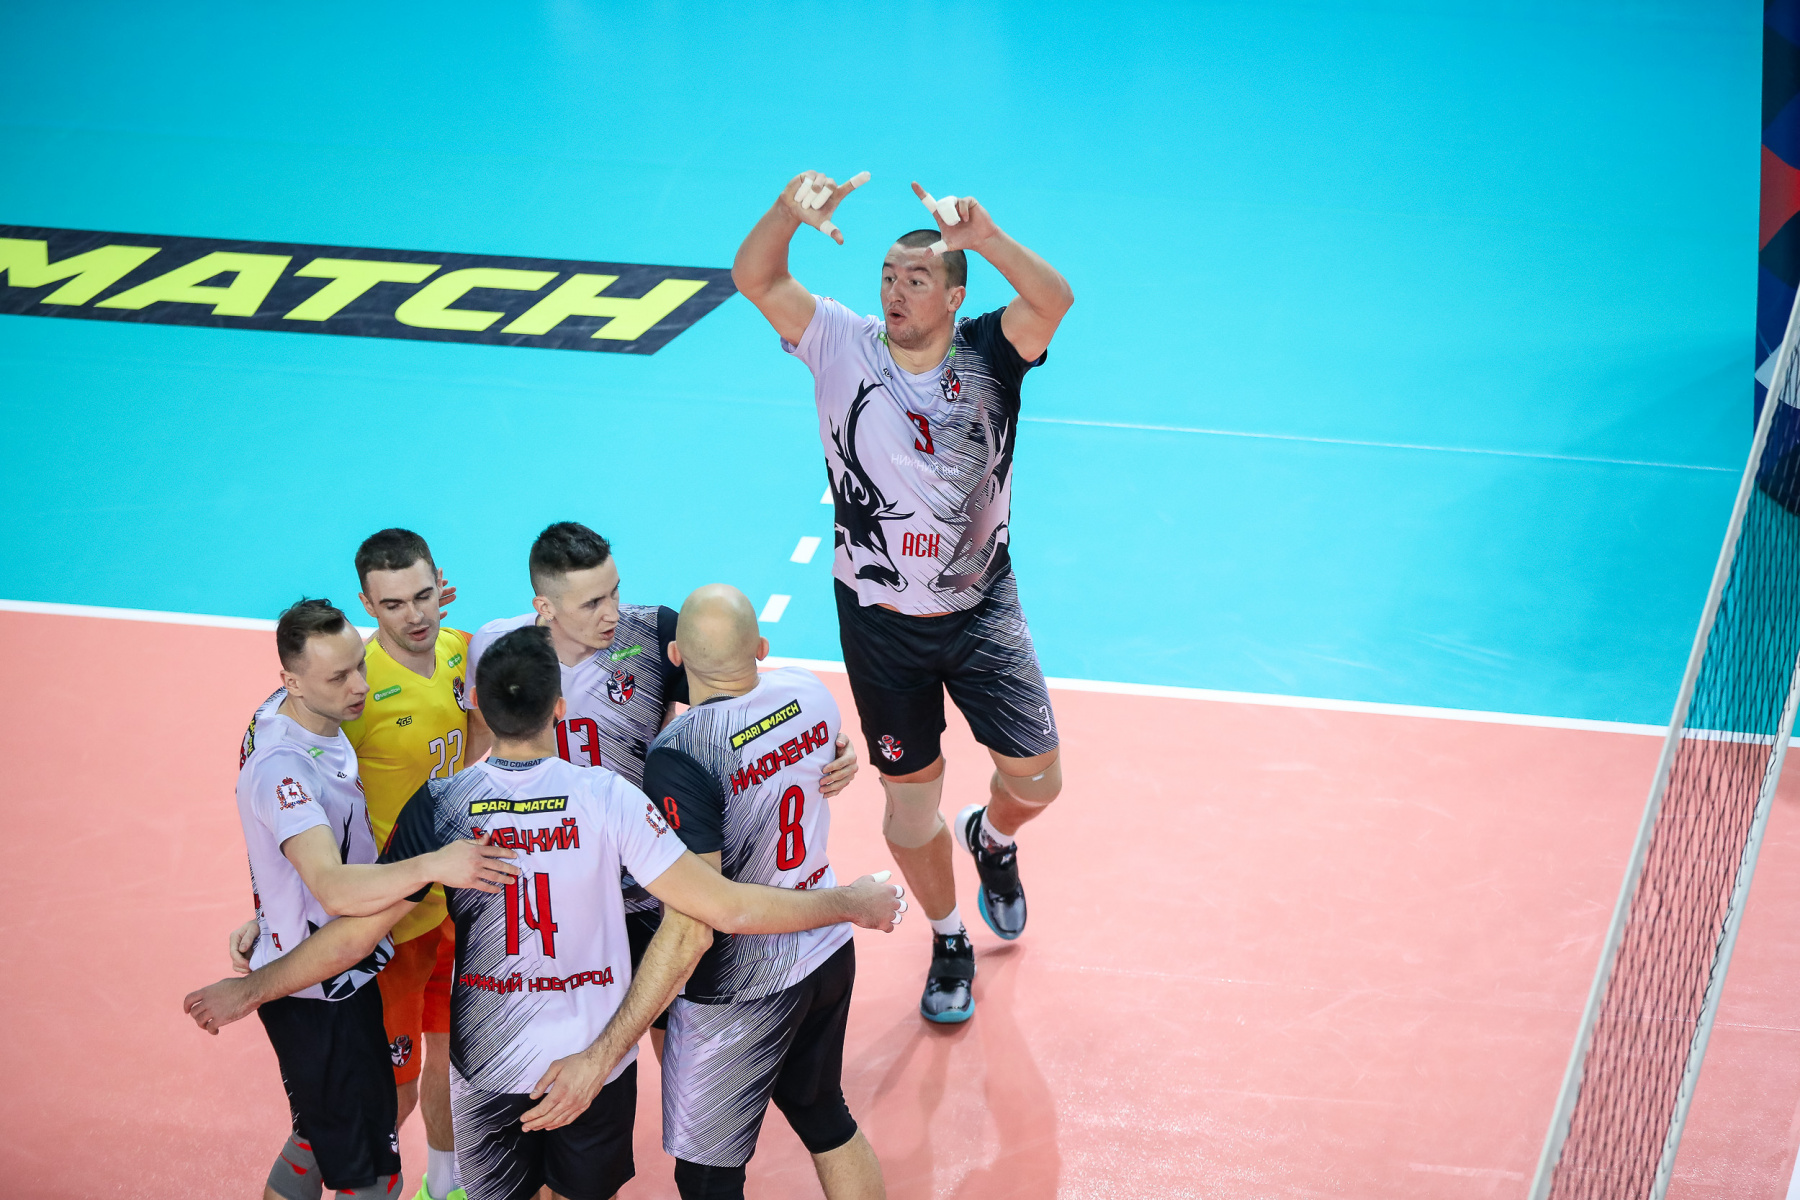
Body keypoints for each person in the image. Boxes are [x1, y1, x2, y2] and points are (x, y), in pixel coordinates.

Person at [189, 623, 906, 1200]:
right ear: (559, 708)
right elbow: (725, 907)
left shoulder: (440, 805)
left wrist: (252, 985)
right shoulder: (609, 797)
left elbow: (354, 933)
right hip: (590, 1061)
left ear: (480, 706)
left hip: (487, 1063)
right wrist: (848, 902)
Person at [731, 172, 1074, 1022]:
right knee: (909, 806)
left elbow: (1054, 299)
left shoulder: (991, 351)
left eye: (917, 278)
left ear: (954, 296)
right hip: (881, 623)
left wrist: (986, 238)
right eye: (888, 276)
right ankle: (949, 939)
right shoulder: (840, 344)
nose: (895, 290)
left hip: (981, 607)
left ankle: (992, 836)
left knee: (1038, 781)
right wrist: (785, 214)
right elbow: (756, 278)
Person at [461, 523, 860, 997]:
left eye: (614, 591)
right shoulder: (496, 648)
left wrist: (828, 745)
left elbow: (743, 709)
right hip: (555, 876)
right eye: (592, 603)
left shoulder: (653, 634)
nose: (612, 613)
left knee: (665, 1012)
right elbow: (481, 734)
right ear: (545, 606)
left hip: (651, 876)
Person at [229, 598, 521, 1200]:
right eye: (338, 677)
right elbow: (332, 885)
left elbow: (284, 851)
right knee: (370, 1172)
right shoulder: (285, 767)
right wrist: (434, 864)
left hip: (348, 963)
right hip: (321, 985)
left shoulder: (312, 719)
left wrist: (269, 911)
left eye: (358, 666)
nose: (360, 686)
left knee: (324, 1139)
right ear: (292, 682)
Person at [642, 585, 883, 1200]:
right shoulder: (810, 691)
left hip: (743, 983)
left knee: (707, 1177)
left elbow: (704, 902)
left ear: (675, 656)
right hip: (826, 952)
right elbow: (818, 754)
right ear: (762, 647)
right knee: (825, 1116)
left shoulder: (679, 753)